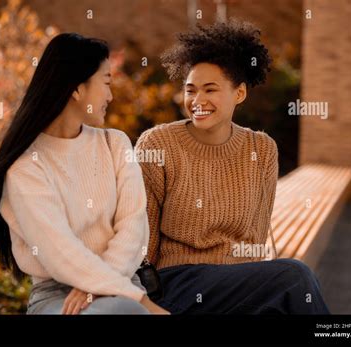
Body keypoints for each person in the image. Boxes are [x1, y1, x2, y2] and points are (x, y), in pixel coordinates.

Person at [135, 20, 330, 314]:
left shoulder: (261, 149)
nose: (197, 100)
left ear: (239, 93)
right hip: (176, 285)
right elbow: (140, 242)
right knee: (295, 277)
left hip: (236, 286)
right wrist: (143, 304)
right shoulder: (157, 145)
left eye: (210, 90)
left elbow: (255, 237)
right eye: (190, 90)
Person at [0, 33, 169, 315]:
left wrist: (101, 285)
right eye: (106, 83)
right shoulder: (26, 167)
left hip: (123, 281)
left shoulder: (114, 144)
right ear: (77, 89)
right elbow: (60, 252)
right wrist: (140, 301)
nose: (111, 96)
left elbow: (134, 227)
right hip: (58, 297)